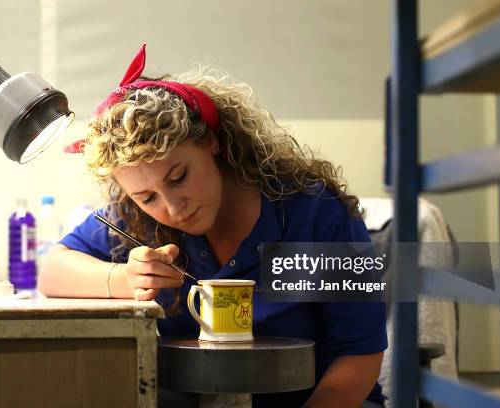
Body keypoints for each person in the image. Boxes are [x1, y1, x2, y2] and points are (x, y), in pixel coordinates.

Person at [38, 44, 387, 408]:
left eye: (179, 177)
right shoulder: (134, 219)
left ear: (210, 142)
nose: (173, 208)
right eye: (148, 197)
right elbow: (53, 269)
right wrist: (124, 280)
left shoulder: (317, 212)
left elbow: (360, 357)